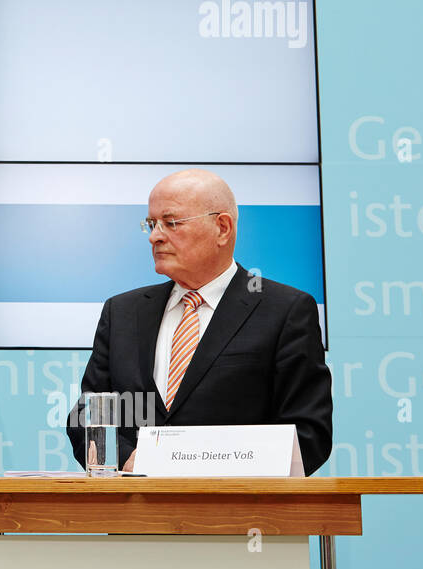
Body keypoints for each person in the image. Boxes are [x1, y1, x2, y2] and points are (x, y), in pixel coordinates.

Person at [67, 169, 332, 473]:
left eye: (171, 223)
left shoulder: (286, 311)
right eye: (152, 224)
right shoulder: (122, 312)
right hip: (133, 512)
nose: (155, 236)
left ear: (222, 228)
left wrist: (206, 466)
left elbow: (310, 434)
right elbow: (87, 417)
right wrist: (130, 460)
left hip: (237, 513)